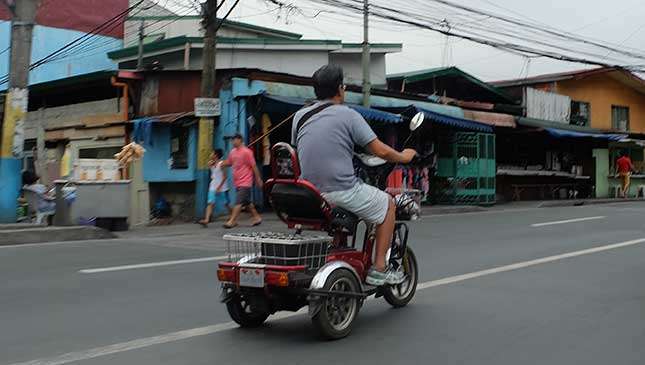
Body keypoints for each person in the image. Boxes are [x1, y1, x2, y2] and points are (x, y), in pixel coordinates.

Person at [292, 64, 416, 286]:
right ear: (340, 89)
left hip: (308, 194)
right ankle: (379, 268)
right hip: (340, 192)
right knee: (388, 204)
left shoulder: (299, 116)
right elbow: (380, 151)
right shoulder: (348, 115)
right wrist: (405, 157)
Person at [222, 134, 263, 228]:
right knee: (247, 202)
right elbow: (229, 162)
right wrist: (221, 163)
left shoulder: (247, 152)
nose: (233, 142)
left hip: (246, 181)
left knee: (238, 202)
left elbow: (253, 166)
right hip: (237, 182)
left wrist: (258, 179)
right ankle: (257, 217)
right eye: (232, 140)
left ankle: (232, 221)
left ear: (240, 140)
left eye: (234, 140)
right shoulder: (232, 152)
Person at [198, 149, 231, 227]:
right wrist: (211, 164)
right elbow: (212, 171)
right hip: (213, 186)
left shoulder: (221, 164)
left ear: (216, 155)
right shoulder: (211, 164)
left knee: (226, 203)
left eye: (212, 153)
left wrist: (219, 187)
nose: (210, 155)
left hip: (222, 187)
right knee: (210, 203)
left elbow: (225, 177)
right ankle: (206, 219)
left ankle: (233, 217)